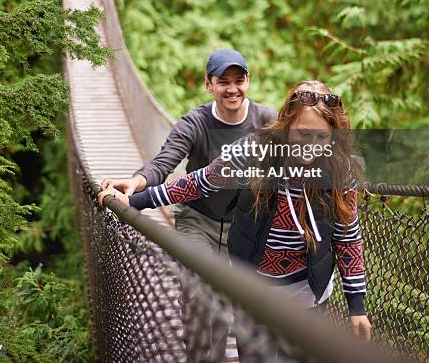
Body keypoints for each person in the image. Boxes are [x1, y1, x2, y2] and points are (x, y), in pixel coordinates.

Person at [99, 80, 371, 360]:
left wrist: (357, 307)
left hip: (307, 294)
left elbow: (347, 237)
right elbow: (199, 183)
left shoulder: (340, 170)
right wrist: (134, 201)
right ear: (287, 125)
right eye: (303, 134)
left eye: (322, 137)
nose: (311, 147)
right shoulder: (254, 151)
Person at [99, 48, 277, 360]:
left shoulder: (267, 121)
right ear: (209, 85)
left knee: (243, 305)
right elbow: (162, 165)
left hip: (247, 227)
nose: (232, 88)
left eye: (239, 80)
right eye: (223, 82)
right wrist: (135, 183)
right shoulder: (195, 123)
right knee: (199, 293)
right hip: (199, 220)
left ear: (248, 81)